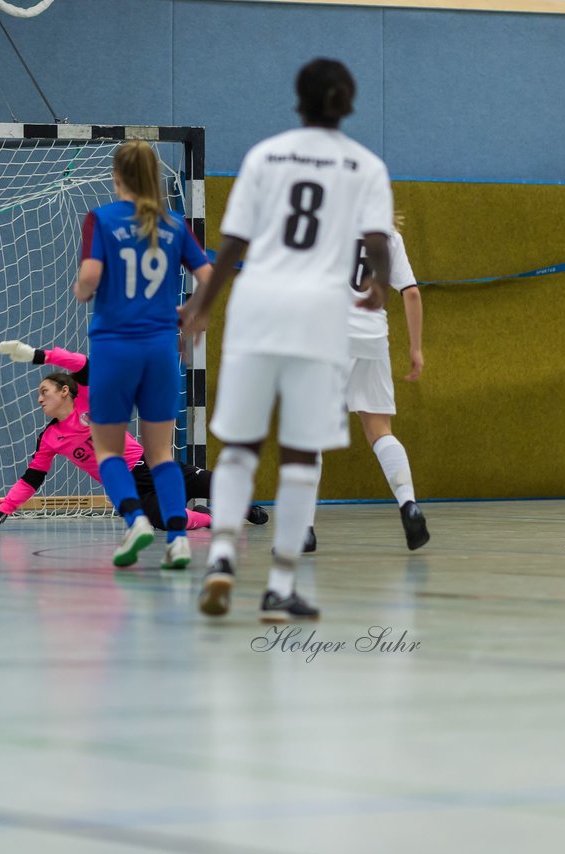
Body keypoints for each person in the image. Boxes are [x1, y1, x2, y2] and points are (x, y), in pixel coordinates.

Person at [180, 58, 393, 622]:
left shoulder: (264, 155)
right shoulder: (366, 167)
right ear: (347, 102)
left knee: (241, 446)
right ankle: (279, 587)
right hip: (318, 317)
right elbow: (378, 243)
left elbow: (231, 245)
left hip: (256, 308)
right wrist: (374, 286)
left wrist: (203, 305)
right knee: (301, 453)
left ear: (296, 101)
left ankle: (222, 556)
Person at [73, 139, 214, 569]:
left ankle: (135, 520)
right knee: (161, 454)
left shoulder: (102, 219)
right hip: (159, 351)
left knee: (109, 451)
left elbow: (89, 281)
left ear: (117, 176)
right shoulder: (172, 223)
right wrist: (192, 319)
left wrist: (83, 288)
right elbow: (208, 275)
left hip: (115, 349)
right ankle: (178, 539)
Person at [0, 341, 269, 535]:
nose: (39, 400)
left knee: (224, 485)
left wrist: (38, 356)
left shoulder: (88, 400)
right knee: (166, 521)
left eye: (44, 392)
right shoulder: (50, 438)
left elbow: (82, 364)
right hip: (128, 489)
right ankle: (207, 518)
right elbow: (30, 480)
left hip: (149, 465)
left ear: (65, 391)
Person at [304, 227, 430, 552]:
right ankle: (409, 505)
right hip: (374, 338)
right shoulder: (390, 237)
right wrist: (415, 349)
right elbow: (412, 293)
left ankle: (302, 528)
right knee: (379, 429)